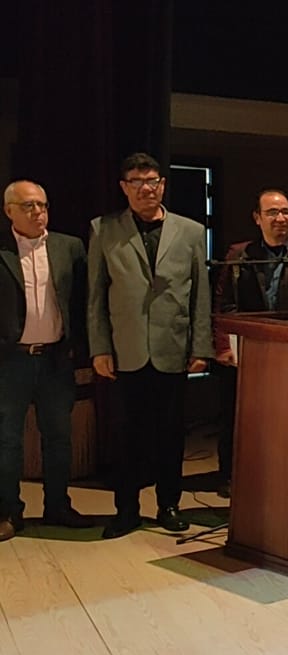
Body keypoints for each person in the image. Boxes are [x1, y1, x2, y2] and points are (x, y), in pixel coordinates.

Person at [88, 153, 213, 539]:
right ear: (124, 187)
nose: (146, 188)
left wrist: (201, 347)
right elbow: (95, 295)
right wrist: (99, 348)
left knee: (171, 434)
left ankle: (169, 505)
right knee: (126, 435)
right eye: (137, 182)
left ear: (163, 185)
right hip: (125, 349)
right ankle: (126, 510)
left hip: (172, 347)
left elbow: (201, 296)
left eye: (153, 181)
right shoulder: (103, 229)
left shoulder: (191, 231)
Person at [212, 189, 288, 488]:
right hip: (248, 353)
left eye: (285, 211)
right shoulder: (240, 256)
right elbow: (224, 304)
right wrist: (224, 344)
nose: (280, 218)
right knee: (241, 418)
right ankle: (235, 479)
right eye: (272, 212)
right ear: (257, 218)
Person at [0, 180, 93, 540]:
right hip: (11, 361)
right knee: (7, 440)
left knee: (58, 437)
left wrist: (80, 350)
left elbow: (83, 301)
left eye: (42, 204)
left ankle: (58, 506)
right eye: (28, 206)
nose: (38, 212)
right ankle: (9, 512)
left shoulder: (70, 247)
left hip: (55, 359)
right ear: (9, 210)